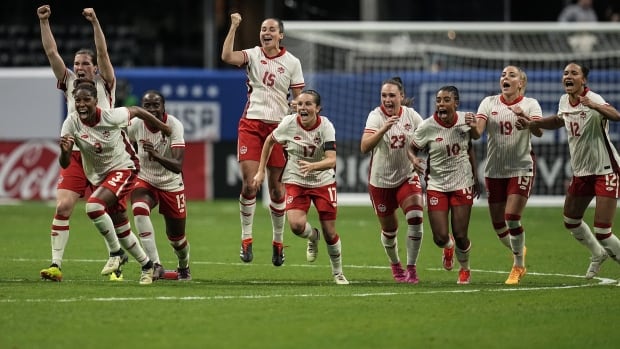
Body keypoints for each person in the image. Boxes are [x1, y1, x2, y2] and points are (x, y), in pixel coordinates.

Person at [38, 5, 120, 282]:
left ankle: (116, 260)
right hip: (76, 153)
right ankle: (55, 265)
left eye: (86, 64)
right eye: (77, 64)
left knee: (114, 213)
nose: (80, 68)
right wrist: (44, 21)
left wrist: (96, 21)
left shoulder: (105, 83)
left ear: (94, 68)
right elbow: (51, 53)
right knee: (63, 207)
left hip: (106, 155)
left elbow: (104, 53)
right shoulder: (68, 82)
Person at [60, 81, 172, 285]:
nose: (82, 104)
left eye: (87, 99)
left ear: (96, 100)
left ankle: (116, 253)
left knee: (93, 207)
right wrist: (65, 153)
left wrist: (162, 126)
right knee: (121, 228)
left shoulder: (110, 116)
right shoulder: (71, 123)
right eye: (78, 100)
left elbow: (138, 110)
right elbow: (65, 163)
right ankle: (148, 266)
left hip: (125, 168)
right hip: (100, 177)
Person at [517, 62, 620, 281]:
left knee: (603, 230)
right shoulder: (564, 100)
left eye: (574, 73)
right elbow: (558, 120)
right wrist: (530, 124)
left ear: (584, 80)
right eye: (565, 73)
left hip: (606, 170)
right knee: (571, 220)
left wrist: (594, 105)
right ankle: (597, 254)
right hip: (581, 172)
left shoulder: (594, 99)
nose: (568, 76)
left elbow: (615, 115)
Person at [221, 12, 305, 266]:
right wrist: (234, 27)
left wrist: (296, 116)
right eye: (262, 29)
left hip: (279, 129)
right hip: (252, 125)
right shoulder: (253, 55)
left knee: (278, 190)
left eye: (271, 29)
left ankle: (278, 243)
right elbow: (226, 56)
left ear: (280, 34)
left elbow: (300, 99)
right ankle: (246, 240)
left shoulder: (292, 62)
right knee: (250, 185)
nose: (265, 33)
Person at [251, 90, 349, 285]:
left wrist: (313, 166)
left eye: (308, 104)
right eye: (300, 104)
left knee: (330, 232)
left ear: (317, 108)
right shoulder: (289, 123)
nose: (303, 108)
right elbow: (269, 141)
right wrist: (260, 171)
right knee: (296, 226)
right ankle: (313, 237)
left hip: (323, 180)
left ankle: (338, 272)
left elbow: (331, 160)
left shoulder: (326, 127)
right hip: (296, 179)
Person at [470, 65, 543, 285]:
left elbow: (539, 132)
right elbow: (477, 133)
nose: (505, 77)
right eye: (503, 75)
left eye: (511, 75)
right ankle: (519, 249)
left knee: (511, 217)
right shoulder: (489, 102)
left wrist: (528, 122)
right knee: (498, 224)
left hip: (521, 167)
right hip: (495, 170)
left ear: (520, 83)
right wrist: (469, 125)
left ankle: (518, 266)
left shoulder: (530, 104)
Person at [410, 86, 480, 285]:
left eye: (446, 100)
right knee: (440, 237)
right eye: (438, 100)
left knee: (460, 234)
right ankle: (447, 248)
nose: (441, 104)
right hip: (437, 185)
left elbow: (472, 144)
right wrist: (413, 160)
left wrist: (476, 178)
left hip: (462, 182)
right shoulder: (427, 126)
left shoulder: (466, 120)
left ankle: (465, 269)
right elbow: (411, 148)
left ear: (455, 103)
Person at [360, 77, 425, 284]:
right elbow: (364, 147)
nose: (387, 99)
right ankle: (396, 265)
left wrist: (415, 158)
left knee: (415, 216)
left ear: (401, 97)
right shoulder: (375, 116)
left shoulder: (411, 116)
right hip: (380, 182)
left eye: (391, 95)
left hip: (406, 176)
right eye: (384, 95)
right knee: (389, 231)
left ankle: (412, 269)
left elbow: (427, 137)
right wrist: (384, 129)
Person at [127, 90, 191, 281]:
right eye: (147, 105)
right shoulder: (135, 125)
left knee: (177, 240)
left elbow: (178, 166)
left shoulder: (174, 125)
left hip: (171, 184)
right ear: (142, 108)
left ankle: (183, 266)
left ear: (164, 107)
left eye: (156, 105)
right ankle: (155, 264)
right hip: (145, 179)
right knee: (139, 208)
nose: (152, 109)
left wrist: (156, 155)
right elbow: (121, 140)